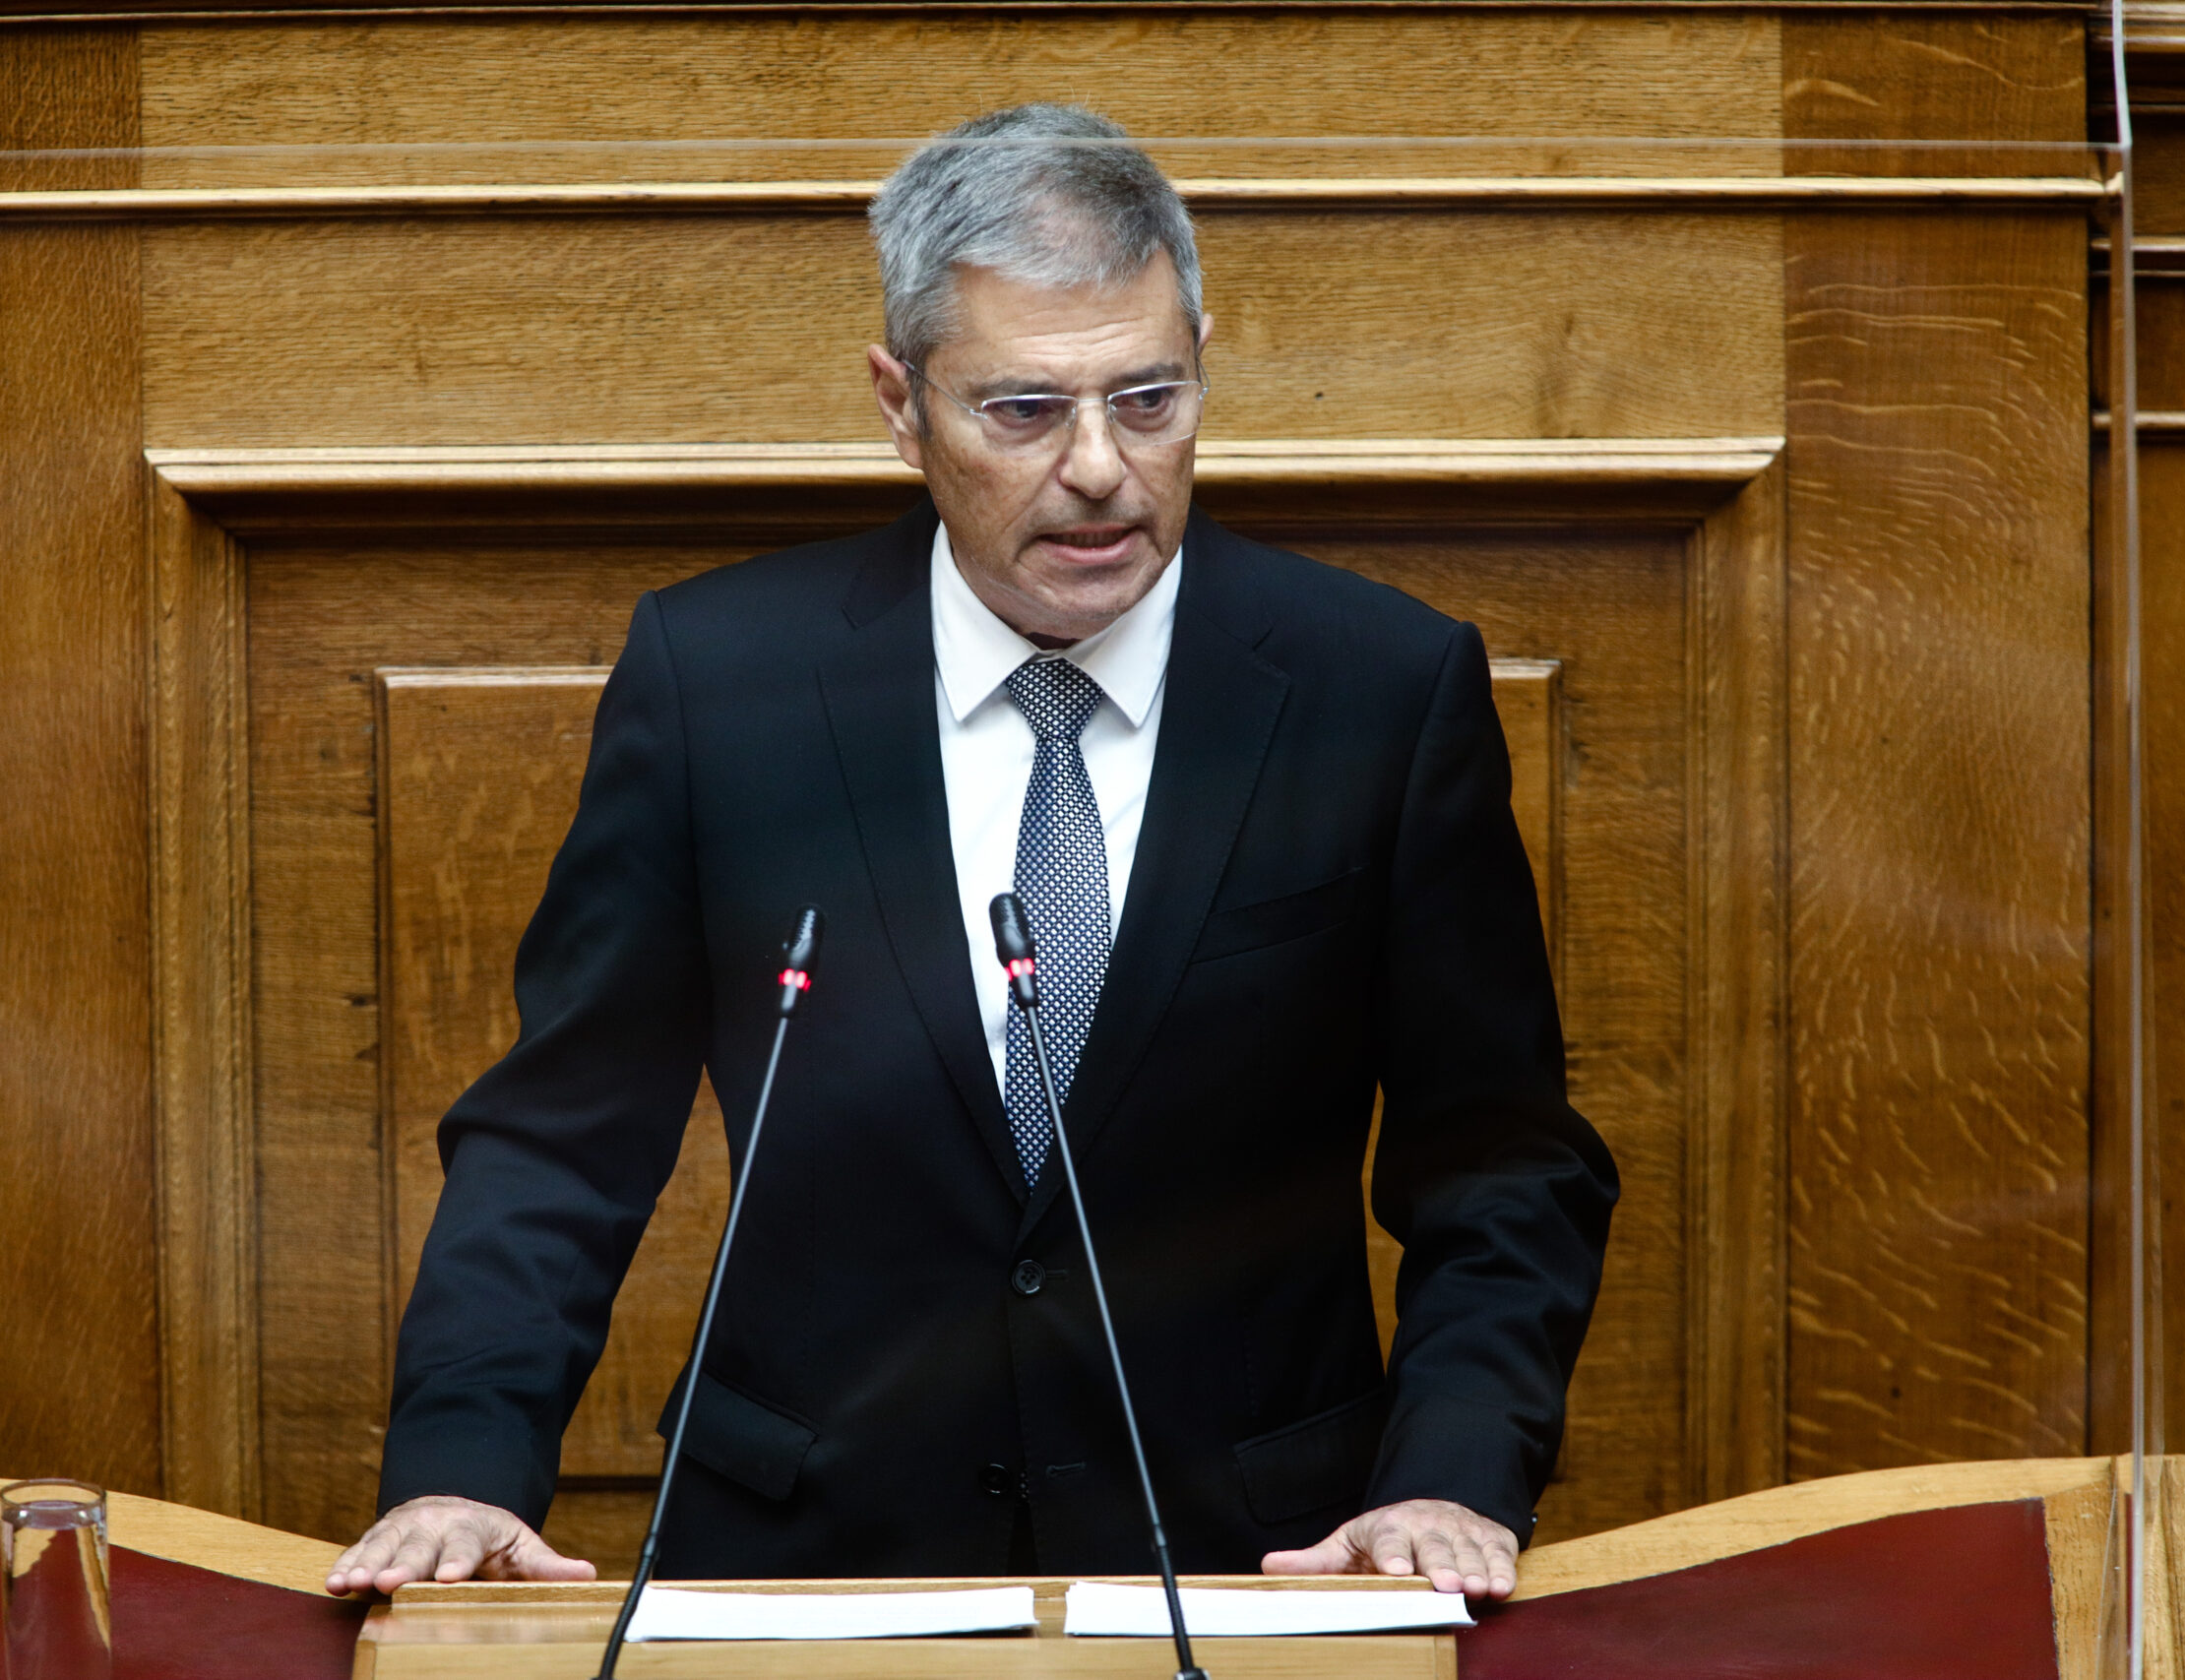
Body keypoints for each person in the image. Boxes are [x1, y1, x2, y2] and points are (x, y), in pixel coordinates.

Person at [328, 102, 1616, 1604]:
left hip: (1252, 1562)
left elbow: (1502, 1163)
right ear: (900, 402)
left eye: (1149, 399)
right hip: (806, 1563)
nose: (1100, 468)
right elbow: (564, 1137)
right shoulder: (720, 681)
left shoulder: (1380, 689)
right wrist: (464, 1466)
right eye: (1024, 412)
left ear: (1203, 361)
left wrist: (1450, 1474)